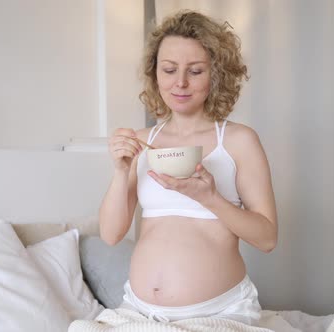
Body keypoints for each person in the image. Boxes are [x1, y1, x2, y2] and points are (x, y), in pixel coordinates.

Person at [99, 10, 277, 326]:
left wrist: (211, 198)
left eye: (195, 71)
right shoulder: (142, 141)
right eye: (169, 70)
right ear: (156, 74)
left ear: (216, 74)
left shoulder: (238, 141)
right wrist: (120, 171)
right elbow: (111, 234)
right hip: (138, 312)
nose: (180, 83)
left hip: (218, 313)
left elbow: (267, 239)